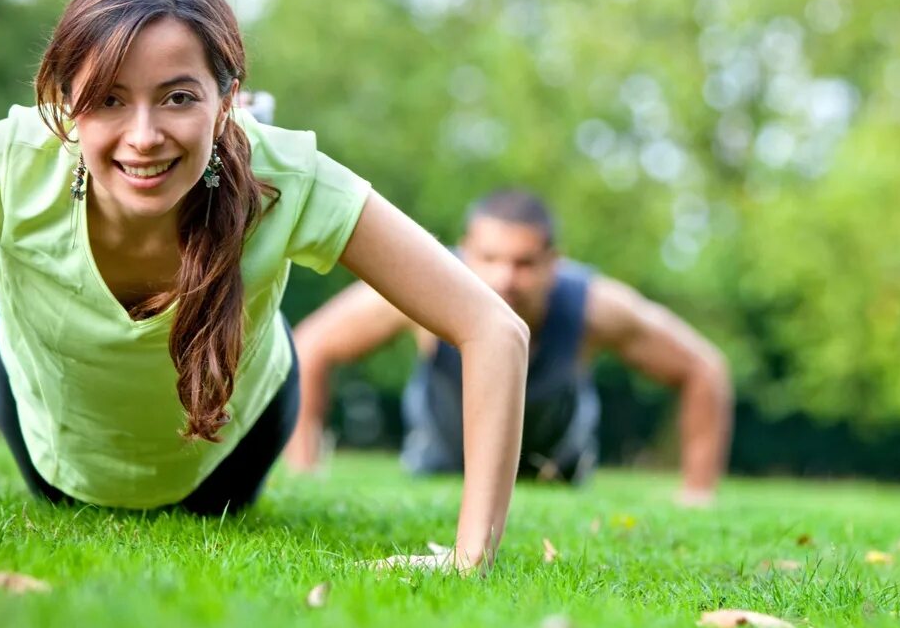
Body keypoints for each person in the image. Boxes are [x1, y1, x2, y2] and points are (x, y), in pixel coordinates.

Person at [0, 0, 529, 572]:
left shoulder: (291, 177)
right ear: (65, 103)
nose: (143, 136)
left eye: (178, 98)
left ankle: (229, 143)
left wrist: (469, 556)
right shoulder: (12, 159)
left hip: (228, 459)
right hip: (52, 451)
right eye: (108, 98)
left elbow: (494, 330)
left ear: (225, 102)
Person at [286, 190, 734, 505]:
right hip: (439, 469)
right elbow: (311, 346)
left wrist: (697, 493)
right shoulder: (421, 286)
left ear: (554, 263)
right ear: (464, 252)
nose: (504, 278)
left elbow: (703, 369)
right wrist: (305, 469)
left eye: (524, 264)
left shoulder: (597, 308)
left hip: (555, 477)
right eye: (490, 258)